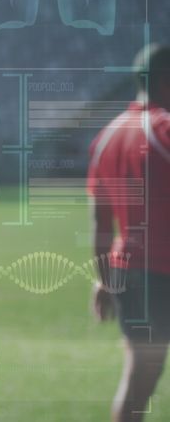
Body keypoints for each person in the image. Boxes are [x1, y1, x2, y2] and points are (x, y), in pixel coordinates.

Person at [89, 44, 170, 422]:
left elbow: (100, 223)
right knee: (143, 377)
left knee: (138, 379)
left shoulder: (107, 135)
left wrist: (104, 278)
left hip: (128, 271)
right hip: (162, 271)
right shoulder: (163, 128)